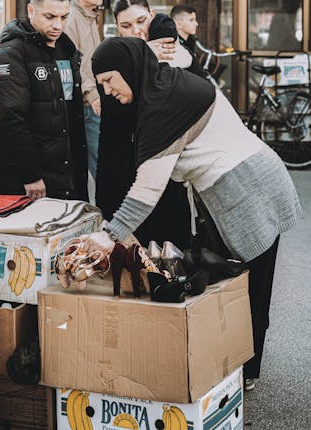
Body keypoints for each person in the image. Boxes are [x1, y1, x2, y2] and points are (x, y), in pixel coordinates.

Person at [86, 36, 301, 392]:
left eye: (110, 79)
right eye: (101, 83)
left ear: (129, 69)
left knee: (248, 286)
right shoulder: (166, 84)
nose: (107, 90)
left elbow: (147, 190)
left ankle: (242, 371)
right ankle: (232, 363)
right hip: (250, 178)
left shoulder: (164, 105)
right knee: (236, 281)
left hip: (248, 187)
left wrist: (108, 236)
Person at [95, 0, 195, 251]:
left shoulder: (171, 52)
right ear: (117, 28)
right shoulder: (113, 58)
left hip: (166, 170)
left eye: (141, 22)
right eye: (126, 26)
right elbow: (113, 124)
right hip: (123, 170)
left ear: (151, 16)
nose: (137, 31)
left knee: (173, 250)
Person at [0, 0, 88, 201]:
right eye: (50, 17)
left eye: (64, 17)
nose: (58, 25)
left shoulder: (66, 49)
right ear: (31, 10)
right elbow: (11, 120)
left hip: (65, 174)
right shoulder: (10, 55)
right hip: (28, 180)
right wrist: (30, 174)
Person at [64, 0, 105, 184]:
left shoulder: (89, 17)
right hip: (86, 103)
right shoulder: (71, 18)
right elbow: (72, 62)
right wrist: (91, 94)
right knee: (100, 164)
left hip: (94, 99)